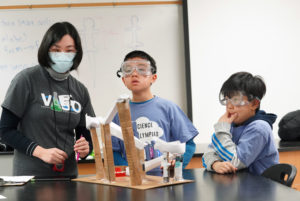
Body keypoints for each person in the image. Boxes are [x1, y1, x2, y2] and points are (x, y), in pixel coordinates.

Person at [0, 22, 95, 177]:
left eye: (69, 50)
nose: (63, 55)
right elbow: (5, 130)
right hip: (30, 178)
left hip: (68, 177)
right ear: (46, 50)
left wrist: (86, 148)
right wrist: (40, 152)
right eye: (56, 50)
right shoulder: (26, 80)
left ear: (77, 53)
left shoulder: (80, 90)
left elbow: (85, 135)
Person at [112, 50, 199, 170]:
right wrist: (131, 172)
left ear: (153, 77)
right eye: (128, 70)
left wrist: (177, 164)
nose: (134, 74)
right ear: (123, 80)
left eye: (142, 69)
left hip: (165, 180)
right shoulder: (119, 112)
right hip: (132, 182)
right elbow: (113, 151)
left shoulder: (169, 108)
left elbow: (188, 144)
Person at [202, 72, 279, 175]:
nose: (229, 106)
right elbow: (208, 153)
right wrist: (215, 164)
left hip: (260, 188)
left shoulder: (259, 128)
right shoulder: (232, 126)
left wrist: (222, 129)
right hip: (240, 186)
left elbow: (235, 162)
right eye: (227, 100)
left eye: (235, 100)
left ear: (254, 104)